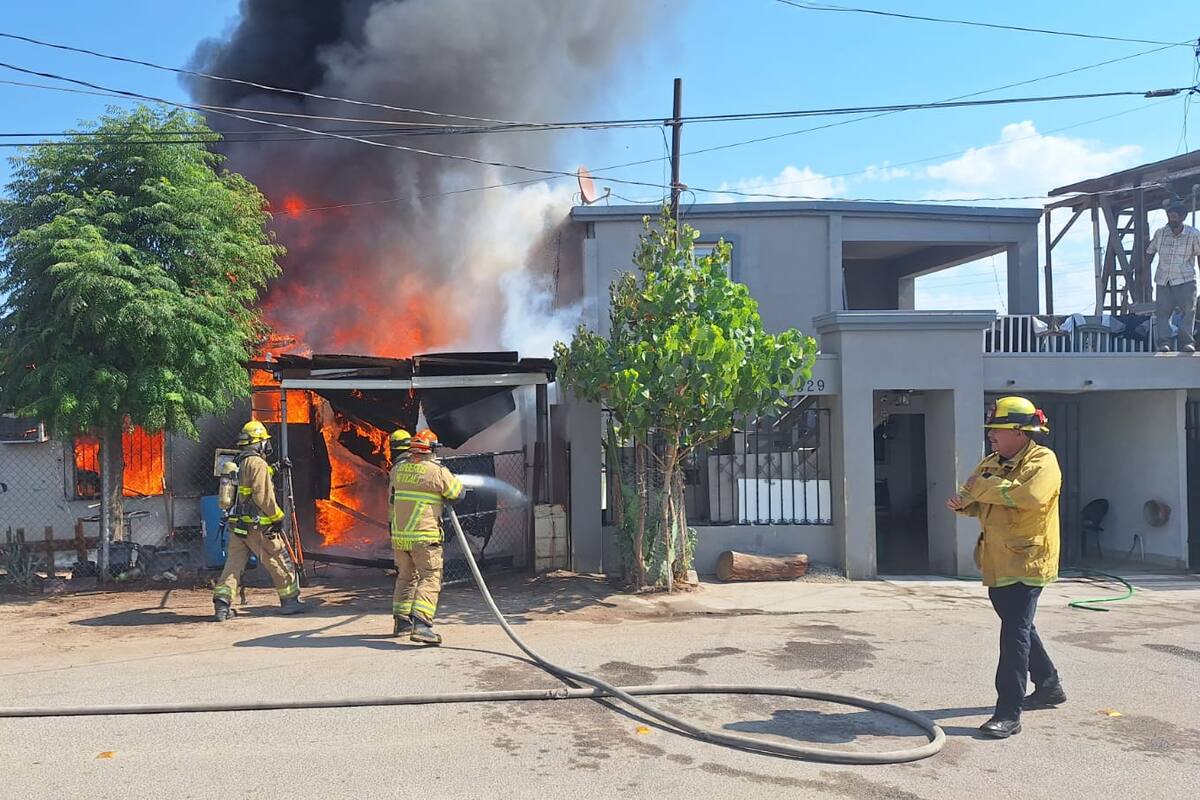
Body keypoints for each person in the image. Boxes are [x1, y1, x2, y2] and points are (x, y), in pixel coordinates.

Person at [946, 396, 1065, 738]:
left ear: (1019, 432)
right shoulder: (992, 461)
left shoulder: (1043, 461)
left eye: (997, 429)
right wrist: (963, 505)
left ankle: (1008, 713)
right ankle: (1049, 685)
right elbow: (977, 501)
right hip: (996, 560)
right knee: (1019, 624)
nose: (991, 436)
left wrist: (982, 488)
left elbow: (1029, 497)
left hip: (1027, 560)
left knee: (1013, 632)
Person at [212, 420, 306, 621]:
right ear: (258, 443)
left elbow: (250, 480)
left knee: (233, 565)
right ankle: (290, 601)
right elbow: (264, 495)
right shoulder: (257, 463)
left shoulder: (238, 461)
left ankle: (222, 603)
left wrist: (276, 467)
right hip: (258, 526)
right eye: (264, 441)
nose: (267, 445)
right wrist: (277, 518)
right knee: (278, 559)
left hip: (238, 526)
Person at [387, 428, 463, 644]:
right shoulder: (436, 471)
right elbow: (457, 493)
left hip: (400, 537)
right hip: (424, 537)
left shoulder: (398, 469)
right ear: (431, 450)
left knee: (405, 577)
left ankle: (401, 622)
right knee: (430, 578)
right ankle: (422, 624)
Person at [1148, 200, 1200, 352]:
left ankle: (1187, 342)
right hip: (1164, 279)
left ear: (1183, 217)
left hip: (1186, 279)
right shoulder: (1160, 233)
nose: (1172, 220)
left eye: (1175, 217)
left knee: (1188, 311)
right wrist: (1145, 275)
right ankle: (1164, 342)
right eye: (1170, 217)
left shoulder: (1193, 234)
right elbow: (1149, 253)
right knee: (1163, 312)